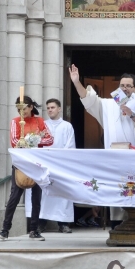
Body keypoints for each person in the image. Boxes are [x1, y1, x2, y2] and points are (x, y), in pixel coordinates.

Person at [69, 64, 135, 225]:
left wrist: (133, 115)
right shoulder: (108, 105)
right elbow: (89, 101)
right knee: (118, 192)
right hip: (116, 158)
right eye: (122, 85)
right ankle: (118, 225)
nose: (125, 89)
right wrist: (76, 82)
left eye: (128, 86)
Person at [0, 96, 54, 241]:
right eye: (18, 109)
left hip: (36, 163)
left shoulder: (39, 121)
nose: (21, 112)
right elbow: (15, 140)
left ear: (30, 107)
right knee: (15, 196)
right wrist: (32, 141)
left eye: (23, 109)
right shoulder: (15, 122)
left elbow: (50, 139)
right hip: (21, 162)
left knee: (36, 197)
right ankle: (5, 229)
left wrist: (34, 140)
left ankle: (34, 230)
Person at [25, 99, 76, 233]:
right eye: (48, 108)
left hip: (61, 164)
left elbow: (70, 145)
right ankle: (41, 223)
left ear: (59, 109)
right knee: (44, 194)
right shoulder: (42, 125)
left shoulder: (67, 126)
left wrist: (60, 160)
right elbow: (36, 143)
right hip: (45, 165)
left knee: (62, 193)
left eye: (53, 107)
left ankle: (63, 223)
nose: (50, 110)